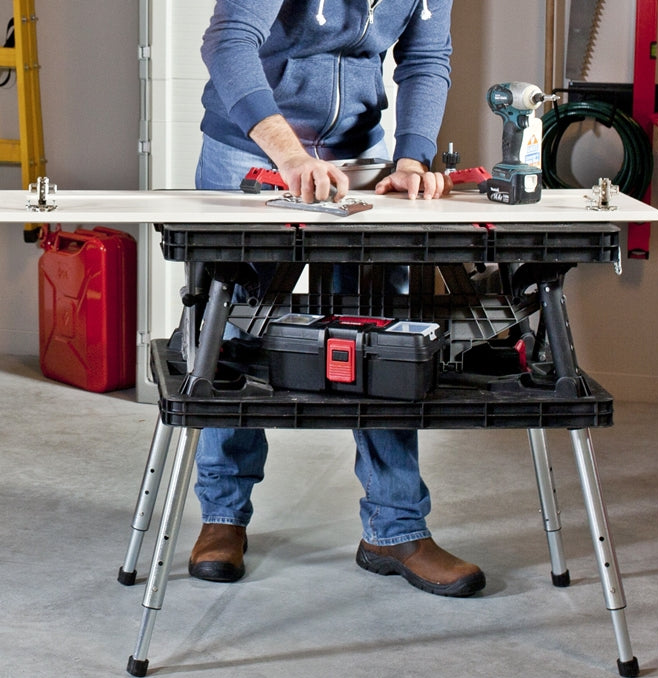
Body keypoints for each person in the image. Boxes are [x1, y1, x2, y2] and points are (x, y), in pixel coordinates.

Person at [189, 0, 486, 598]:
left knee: (383, 336)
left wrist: (412, 157)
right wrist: (290, 154)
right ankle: (222, 516)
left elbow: (426, 59)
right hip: (252, 149)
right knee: (234, 332)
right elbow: (228, 41)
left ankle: (395, 528)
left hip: (358, 158)